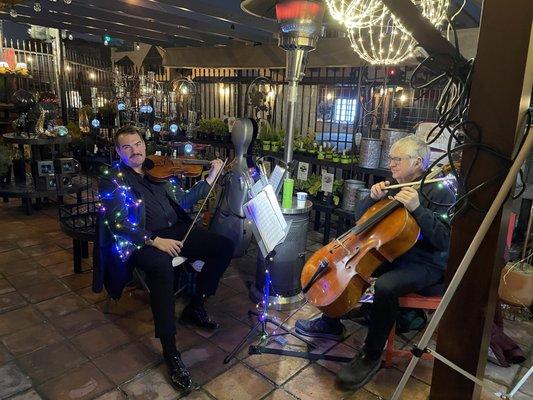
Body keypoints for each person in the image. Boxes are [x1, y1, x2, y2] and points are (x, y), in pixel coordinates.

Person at [295, 135, 456, 390]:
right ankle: (331, 319)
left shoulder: (440, 191)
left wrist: (418, 209)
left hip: (426, 263)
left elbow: (444, 240)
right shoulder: (395, 184)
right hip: (393, 251)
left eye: (396, 159)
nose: (390, 163)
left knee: (385, 286)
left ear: (417, 161)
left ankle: (371, 354)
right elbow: (363, 220)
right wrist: (371, 198)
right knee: (344, 268)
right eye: (390, 158)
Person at [96, 125, 234, 392]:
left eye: (137, 144)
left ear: (144, 144)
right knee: (161, 269)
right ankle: (171, 353)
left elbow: (182, 201)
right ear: (118, 151)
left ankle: (196, 305)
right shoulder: (112, 179)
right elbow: (118, 224)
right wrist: (154, 240)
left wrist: (210, 178)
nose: (135, 150)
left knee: (224, 246)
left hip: (176, 230)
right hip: (142, 241)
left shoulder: (158, 170)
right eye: (127, 147)